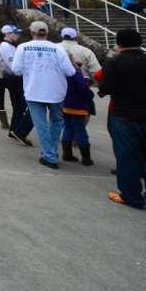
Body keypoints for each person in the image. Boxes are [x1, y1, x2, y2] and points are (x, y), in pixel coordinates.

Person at [11, 20, 75, 169]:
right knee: (56, 122)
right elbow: (70, 71)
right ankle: (50, 152)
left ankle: (50, 155)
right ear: (47, 32)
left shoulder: (22, 47)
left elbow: (16, 70)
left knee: (41, 125)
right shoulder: (58, 49)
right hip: (56, 92)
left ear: (32, 32)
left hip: (34, 91)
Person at [99, 29, 146, 209]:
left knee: (127, 156)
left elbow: (106, 86)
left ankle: (131, 196)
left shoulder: (114, 62)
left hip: (124, 114)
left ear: (119, 43)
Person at [60, 54, 95, 166]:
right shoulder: (75, 72)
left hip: (65, 105)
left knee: (68, 128)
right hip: (78, 106)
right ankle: (86, 158)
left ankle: (67, 154)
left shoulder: (60, 72)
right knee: (80, 130)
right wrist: (90, 94)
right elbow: (83, 88)